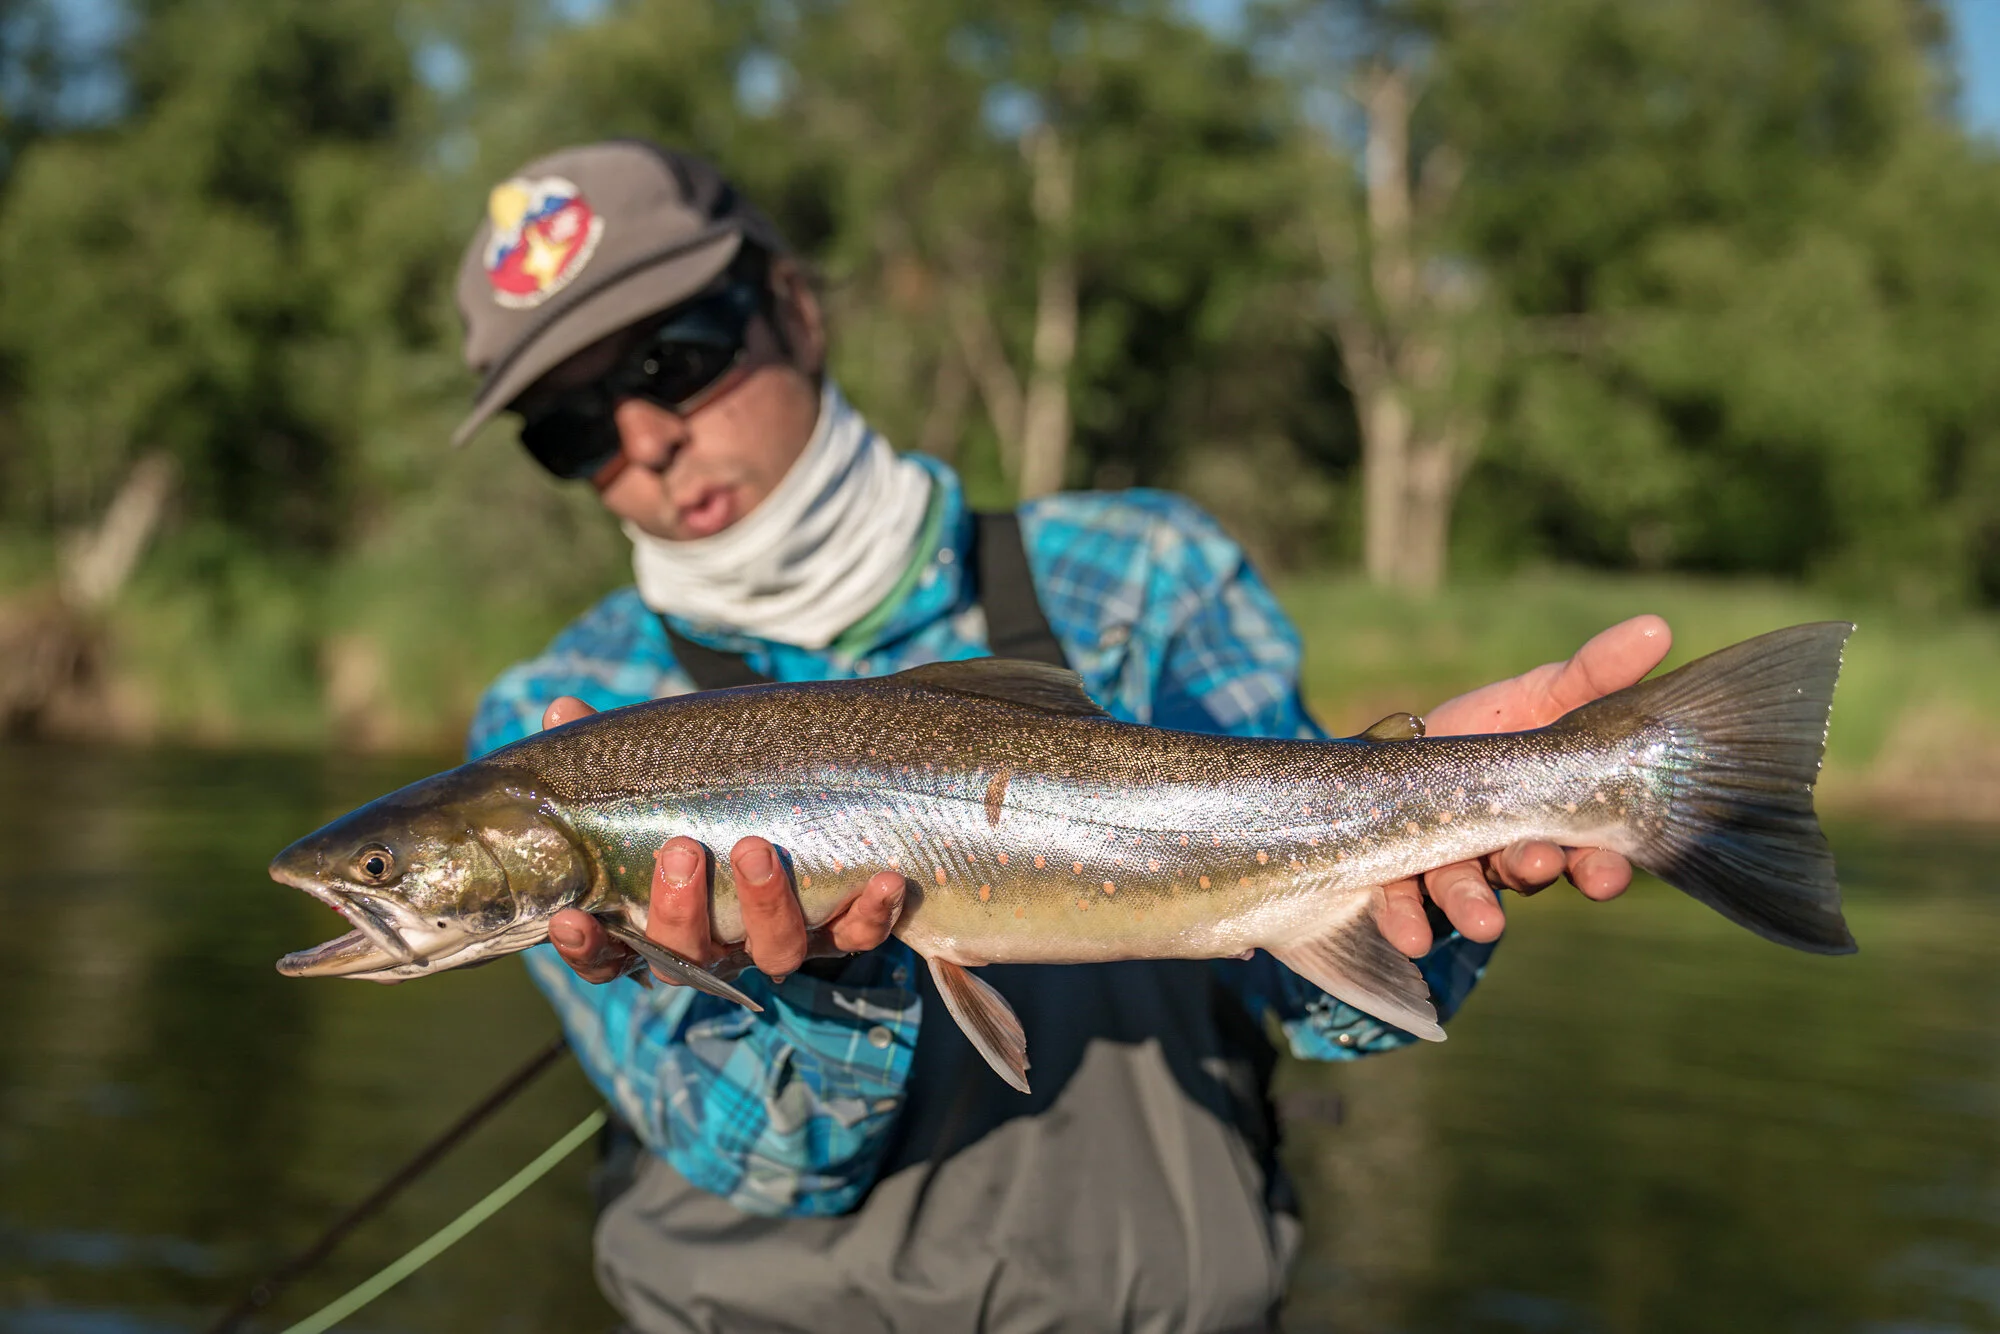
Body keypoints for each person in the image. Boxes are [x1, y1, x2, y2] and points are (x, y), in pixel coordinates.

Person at [454, 141, 1668, 1333]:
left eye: (674, 360)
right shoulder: (556, 719)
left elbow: (1330, 1009)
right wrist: (825, 973)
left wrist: (1442, 819)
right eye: (569, 427)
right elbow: (771, 1165)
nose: (643, 440)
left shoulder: (1141, 574)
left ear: (794, 309)